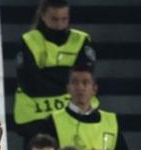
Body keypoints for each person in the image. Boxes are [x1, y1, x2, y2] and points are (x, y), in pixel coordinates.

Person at [27, 66, 129, 150]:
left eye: (85, 82)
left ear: (94, 88)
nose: (80, 87)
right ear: (68, 88)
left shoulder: (111, 120)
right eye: (75, 82)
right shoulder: (53, 121)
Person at [13, 0, 96, 133]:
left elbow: (84, 77)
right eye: (54, 19)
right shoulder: (29, 40)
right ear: (43, 16)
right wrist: (66, 77)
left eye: (64, 19)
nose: (60, 24)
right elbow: (30, 83)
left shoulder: (81, 40)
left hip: (74, 114)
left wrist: (46, 73)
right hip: (35, 117)